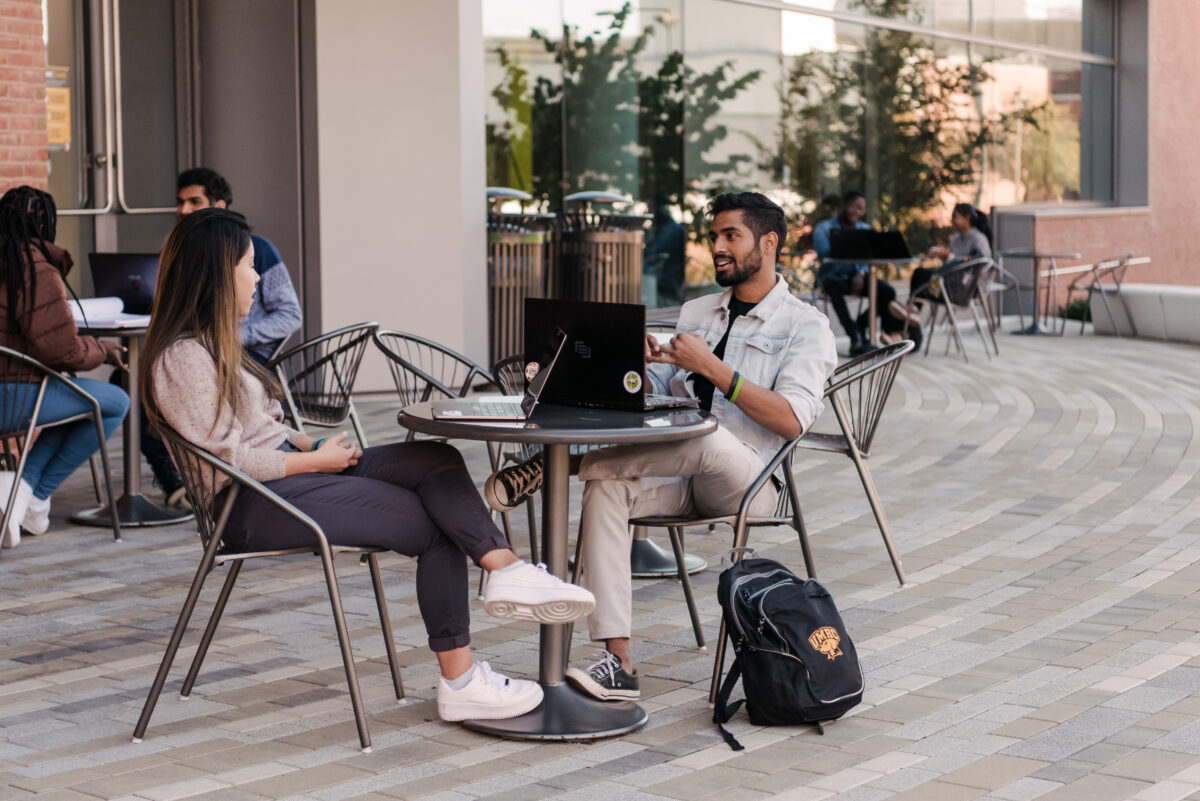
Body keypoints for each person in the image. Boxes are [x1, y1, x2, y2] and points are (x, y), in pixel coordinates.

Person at [140, 208, 597, 721]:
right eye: (249, 265)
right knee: (435, 524)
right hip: (250, 505)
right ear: (217, 274)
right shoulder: (184, 358)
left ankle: (505, 569)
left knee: (436, 460)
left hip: (286, 476)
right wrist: (313, 463)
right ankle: (462, 681)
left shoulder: (215, 346)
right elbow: (227, 463)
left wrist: (309, 443)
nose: (259, 277)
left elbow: (258, 427)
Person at [484, 192, 837, 700]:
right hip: (677, 476)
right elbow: (660, 397)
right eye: (714, 236)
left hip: (752, 482)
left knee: (708, 434)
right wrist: (638, 371)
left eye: (730, 236)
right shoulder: (699, 312)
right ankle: (617, 661)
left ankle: (560, 462)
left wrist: (713, 369)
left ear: (769, 242)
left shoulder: (805, 325)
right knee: (605, 487)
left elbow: (792, 420)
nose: (718, 246)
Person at [129, 167, 306, 509]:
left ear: (220, 205)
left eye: (194, 201)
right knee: (133, 382)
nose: (183, 209)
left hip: (247, 356)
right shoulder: (186, 250)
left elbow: (290, 314)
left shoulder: (259, 250)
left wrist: (232, 339)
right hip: (205, 356)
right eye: (180, 202)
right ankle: (171, 473)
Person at [0, 187, 129, 547]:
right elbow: (61, 350)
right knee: (114, 402)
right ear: (45, 223)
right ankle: (32, 493)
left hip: (12, 392)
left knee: (83, 403)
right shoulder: (33, 265)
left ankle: (18, 492)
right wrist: (103, 350)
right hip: (12, 397)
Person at [811, 191, 908, 355]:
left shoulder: (866, 229)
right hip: (833, 277)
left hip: (859, 276)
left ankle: (862, 325)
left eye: (860, 208)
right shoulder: (824, 228)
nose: (855, 211)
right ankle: (854, 335)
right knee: (833, 286)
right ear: (843, 206)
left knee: (887, 291)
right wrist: (850, 243)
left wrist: (861, 274)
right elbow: (824, 255)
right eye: (852, 206)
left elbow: (870, 257)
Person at [903, 203, 993, 330]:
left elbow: (978, 266)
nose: (952, 221)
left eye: (955, 217)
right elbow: (950, 264)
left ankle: (912, 311)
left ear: (967, 218)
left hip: (965, 290)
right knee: (920, 275)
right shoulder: (956, 238)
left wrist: (949, 256)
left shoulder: (978, 239)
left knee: (921, 275)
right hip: (949, 285)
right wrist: (944, 257)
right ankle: (912, 312)